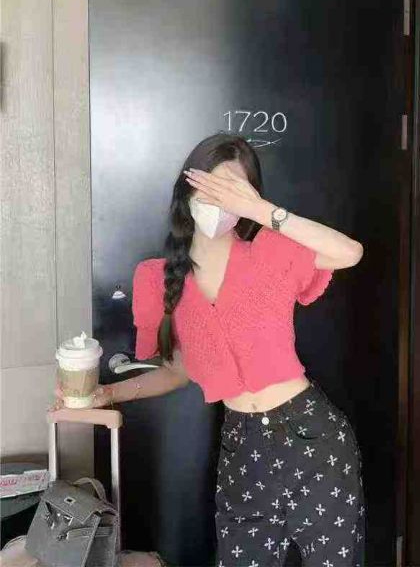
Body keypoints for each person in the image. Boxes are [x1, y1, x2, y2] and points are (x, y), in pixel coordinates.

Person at [51, 132, 366, 566]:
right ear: (187, 189)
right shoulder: (160, 279)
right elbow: (177, 371)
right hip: (242, 445)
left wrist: (262, 211)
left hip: (311, 436)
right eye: (212, 184)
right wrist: (107, 394)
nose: (221, 198)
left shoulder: (272, 251)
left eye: (234, 188)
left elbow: (349, 252)